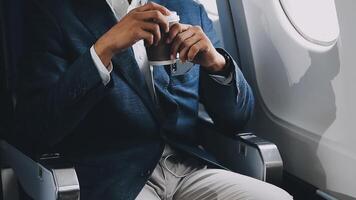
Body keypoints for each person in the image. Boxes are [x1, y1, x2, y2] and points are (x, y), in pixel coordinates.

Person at [16, 0, 293, 199]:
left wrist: (216, 63)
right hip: (113, 177)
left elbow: (236, 118)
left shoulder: (187, 9)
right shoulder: (54, 12)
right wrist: (103, 49)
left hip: (188, 168)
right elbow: (39, 126)